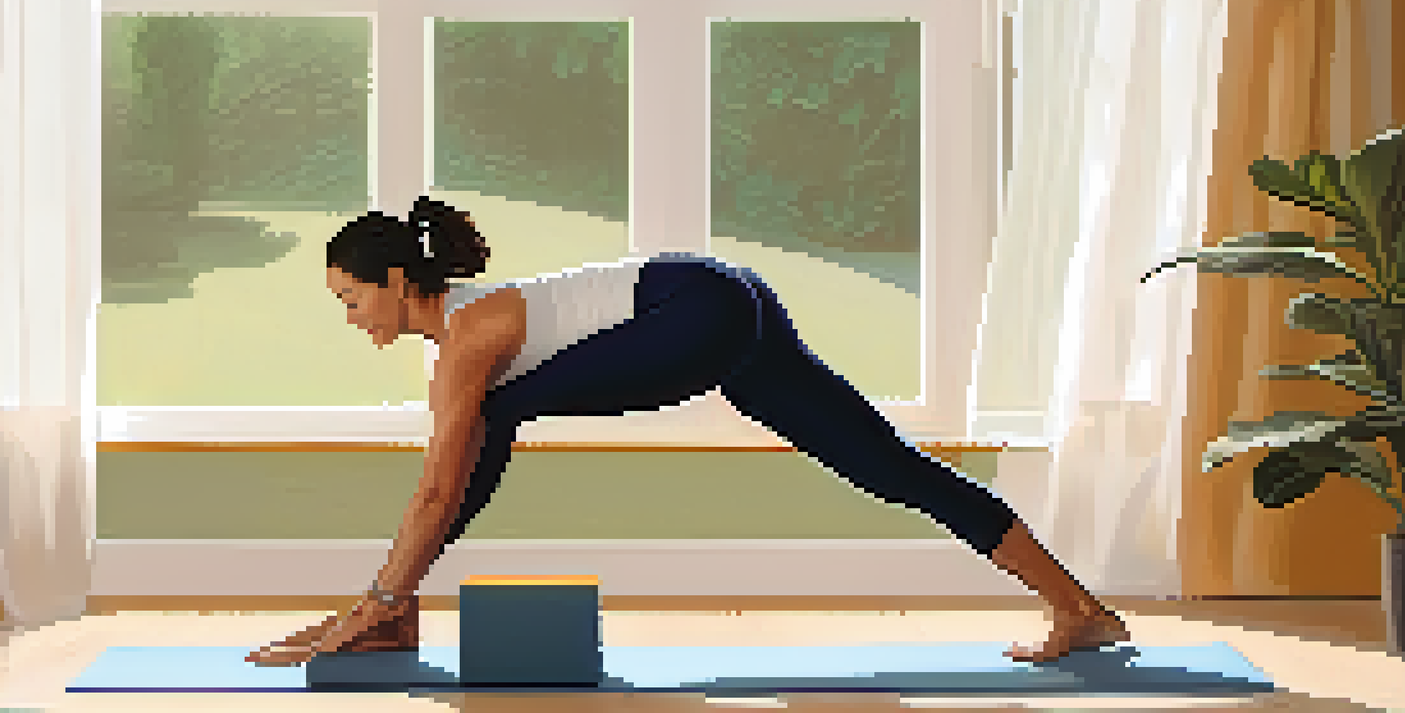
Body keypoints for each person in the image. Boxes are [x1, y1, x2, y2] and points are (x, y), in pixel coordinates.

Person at [246, 196, 1130, 667]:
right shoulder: (469, 342)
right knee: (890, 467)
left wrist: (380, 595)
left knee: (489, 419)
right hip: (726, 301)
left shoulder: (468, 344)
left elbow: (444, 486)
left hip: (695, 309)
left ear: (399, 282)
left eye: (352, 297)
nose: (350, 316)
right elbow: (459, 484)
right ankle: (1080, 611)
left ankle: (389, 611)